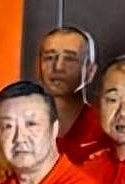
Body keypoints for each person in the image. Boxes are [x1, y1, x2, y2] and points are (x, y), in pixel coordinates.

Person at [37, 27, 112, 164]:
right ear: (38, 67)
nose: (58, 67)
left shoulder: (106, 131)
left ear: (90, 71)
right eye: (49, 58)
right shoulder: (23, 127)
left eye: (70, 59)